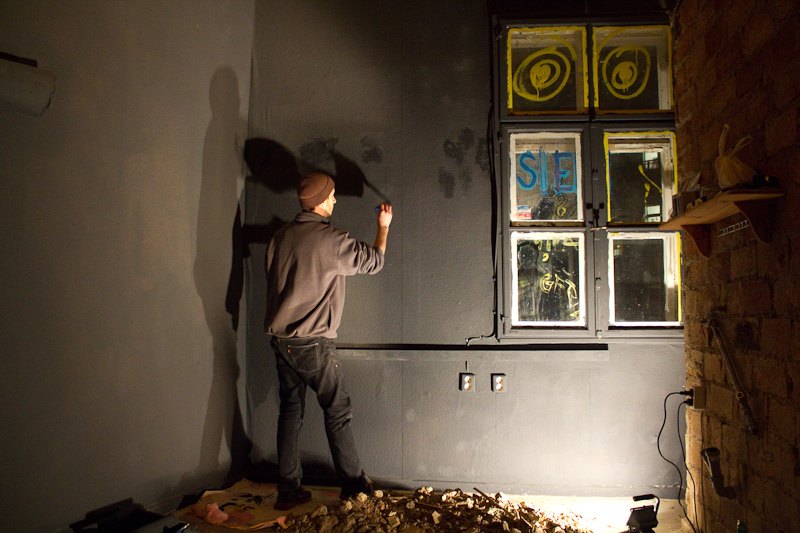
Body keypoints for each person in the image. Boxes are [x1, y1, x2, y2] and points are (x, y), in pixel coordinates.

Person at [264, 172, 393, 510]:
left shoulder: (279, 237)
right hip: (314, 343)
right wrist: (383, 227)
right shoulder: (331, 240)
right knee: (337, 411)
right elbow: (375, 262)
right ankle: (354, 486)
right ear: (321, 200)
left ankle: (288, 490)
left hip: (281, 340)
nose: (335, 200)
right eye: (332, 195)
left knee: (290, 412)